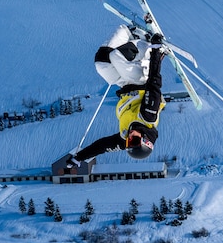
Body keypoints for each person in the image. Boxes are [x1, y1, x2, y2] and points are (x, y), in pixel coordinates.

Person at [66, 26, 167, 167]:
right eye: (134, 140)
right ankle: (146, 44)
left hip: (125, 85)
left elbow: (102, 146)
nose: (130, 138)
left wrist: (79, 157)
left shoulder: (125, 136)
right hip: (141, 80)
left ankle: (126, 32)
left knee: (102, 62)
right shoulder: (148, 116)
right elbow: (154, 84)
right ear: (145, 139)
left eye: (129, 143)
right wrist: (156, 51)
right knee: (116, 56)